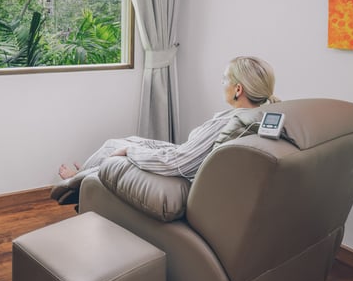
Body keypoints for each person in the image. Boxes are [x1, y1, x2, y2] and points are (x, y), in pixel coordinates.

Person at [52, 56, 279, 203]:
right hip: (185, 156)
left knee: (117, 150)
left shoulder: (229, 123)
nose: (222, 85)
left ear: (238, 89)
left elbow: (178, 162)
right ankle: (83, 175)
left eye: (224, 80)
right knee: (120, 142)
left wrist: (131, 153)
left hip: (180, 169)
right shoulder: (261, 115)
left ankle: (75, 183)